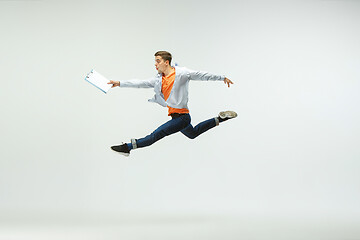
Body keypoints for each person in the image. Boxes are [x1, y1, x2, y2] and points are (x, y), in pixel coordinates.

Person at [108, 51, 237, 156]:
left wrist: (222, 78)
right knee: (192, 134)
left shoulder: (182, 73)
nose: (155, 64)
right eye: (155, 61)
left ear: (166, 62)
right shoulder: (159, 80)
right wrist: (119, 83)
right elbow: (140, 83)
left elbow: (201, 75)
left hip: (182, 118)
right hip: (177, 117)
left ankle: (128, 147)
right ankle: (220, 118)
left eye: (158, 61)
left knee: (154, 136)